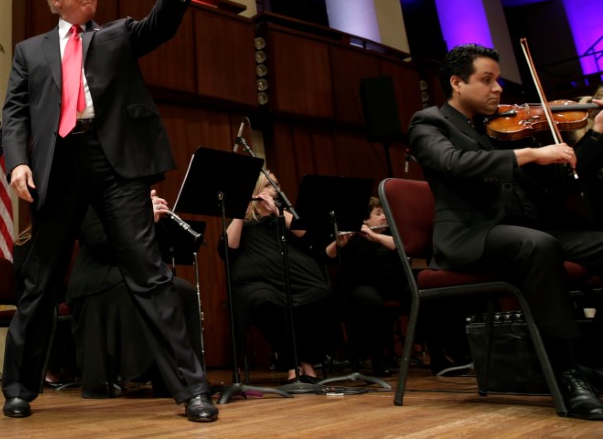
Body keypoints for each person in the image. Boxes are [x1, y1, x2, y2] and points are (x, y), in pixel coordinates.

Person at [1, 0, 218, 422]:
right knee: (40, 282)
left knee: (150, 273)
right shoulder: (29, 52)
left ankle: (191, 390)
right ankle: (19, 387)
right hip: (56, 167)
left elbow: (158, 26)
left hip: (117, 164)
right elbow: (14, 112)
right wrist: (17, 162)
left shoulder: (117, 35)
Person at [408, 43, 603, 420]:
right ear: (456, 83)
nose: (498, 88)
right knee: (537, 245)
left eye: (498, 80)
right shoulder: (429, 122)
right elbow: (452, 163)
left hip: (531, 228)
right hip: (474, 235)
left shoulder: (503, 127)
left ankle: (590, 362)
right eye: (487, 80)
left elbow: (560, 182)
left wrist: (594, 136)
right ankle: (565, 372)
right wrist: (530, 154)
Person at [68, 191, 203, 399]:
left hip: (136, 272)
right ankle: (143, 369)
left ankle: (180, 376)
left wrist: (156, 222)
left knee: (183, 290)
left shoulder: (136, 200)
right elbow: (101, 243)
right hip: (99, 274)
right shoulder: (91, 201)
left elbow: (159, 249)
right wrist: (142, 217)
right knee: (148, 291)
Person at [218, 172, 341, 382]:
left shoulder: (284, 215)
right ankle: (292, 364)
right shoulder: (244, 220)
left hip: (293, 277)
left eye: (277, 184)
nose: (276, 189)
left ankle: (307, 361)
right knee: (264, 301)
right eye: (270, 184)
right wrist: (240, 210)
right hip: (258, 281)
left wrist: (277, 212)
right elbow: (227, 249)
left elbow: (308, 236)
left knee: (320, 294)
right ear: (257, 190)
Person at [338, 197, 407, 376]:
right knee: (369, 300)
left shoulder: (392, 234)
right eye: (378, 213)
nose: (384, 217)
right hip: (365, 286)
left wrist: (377, 237)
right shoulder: (353, 239)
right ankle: (378, 358)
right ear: (364, 221)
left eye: (384, 212)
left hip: (393, 286)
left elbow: (405, 248)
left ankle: (440, 358)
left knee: (427, 296)